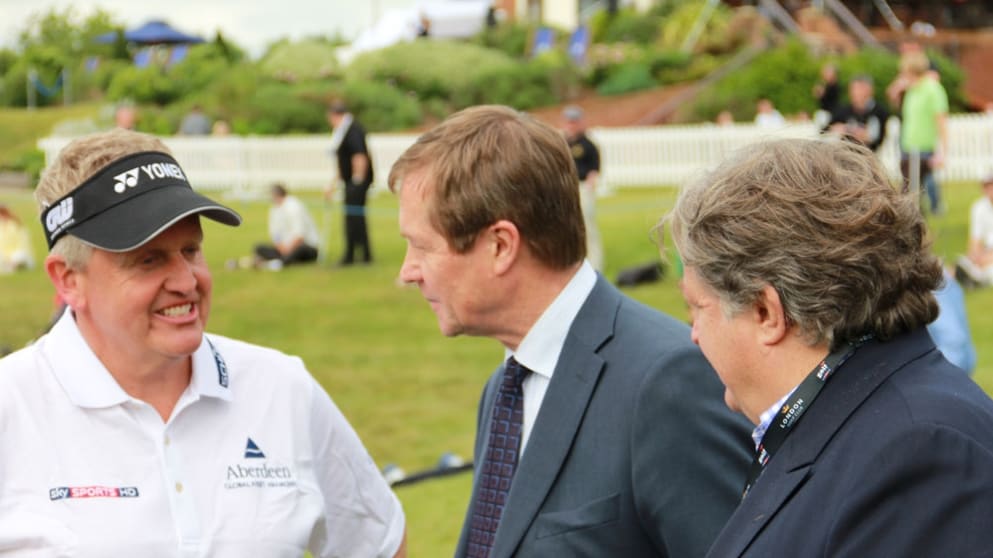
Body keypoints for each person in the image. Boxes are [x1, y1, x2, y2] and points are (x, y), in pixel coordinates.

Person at [0, 128, 407, 557]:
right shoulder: (12, 404)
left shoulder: (280, 386)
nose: (186, 281)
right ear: (68, 280)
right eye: (148, 259)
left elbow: (379, 544)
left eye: (191, 250)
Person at [389, 105, 752, 558]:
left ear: (501, 246)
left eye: (422, 247)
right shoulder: (505, 389)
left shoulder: (666, 384)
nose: (408, 271)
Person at [662, 137, 993, 558]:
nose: (693, 333)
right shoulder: (857, 420)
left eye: (697, 307)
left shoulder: (917, 455)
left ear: (766, 313)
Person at [898, 50, 949, 214]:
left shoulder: (932, 89)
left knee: (911, 195)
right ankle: (915, 223)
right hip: (908, 148)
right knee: (910, 194)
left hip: (922, 150)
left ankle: (917, 224)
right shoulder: (911, 90)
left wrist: (942, 152)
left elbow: (941, 122)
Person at [326, 101, 373, 266]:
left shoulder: (352, 130)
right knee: (353, 218)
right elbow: (343, 161)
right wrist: (332, 184)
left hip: (356, 182)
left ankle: (356, 254)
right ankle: (358, 253)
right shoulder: (344, 130)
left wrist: (357, 180)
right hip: (350, 181)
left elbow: (359, 156)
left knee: (355, 218)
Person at [561, 105, 604, 271]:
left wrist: (589, 187)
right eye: (569, 122)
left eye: (574, 122)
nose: (571, 125)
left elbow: (594, 169)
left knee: (587, 226)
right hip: (567, 188)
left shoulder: (588, 145)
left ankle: (595, 264)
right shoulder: (563, 143)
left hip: (583, 187)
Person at [253, 182, 320, 269]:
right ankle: (283, 260)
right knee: (259, 247)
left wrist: (288, 249)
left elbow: (300, 236)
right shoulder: (274, 209)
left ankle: (275, 263)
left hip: (304, 246)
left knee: (300, 249)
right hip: (284, 248)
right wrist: (281, 247)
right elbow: (275, 235)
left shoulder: (294, 206)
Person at [927, 267, 977, 374]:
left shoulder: (933, 283)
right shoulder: (941, 276)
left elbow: (952, 341)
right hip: (959, 368)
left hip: (949, 369)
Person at [824, 74, 890, 152]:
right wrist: (840, 129)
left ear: (870, 91)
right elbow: (825, 130)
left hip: (869, 154)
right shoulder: (842, 110)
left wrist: (865, 136)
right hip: (844, 153)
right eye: (853, 89)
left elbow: (880, 139)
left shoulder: (880, 112)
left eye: (860, 89)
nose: (856, 93)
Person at [955, 172, 993, 287]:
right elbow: (975, 239)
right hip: (986, 250)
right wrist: (975, 256)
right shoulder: (978, 207)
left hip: (989, 254)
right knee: (964, 261)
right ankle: (973, 275)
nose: (990, 190)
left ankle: (976, 278)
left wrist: (987, 258)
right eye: (987, 186)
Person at [0, 204, 34, 273]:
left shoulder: (16, 225)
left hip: (17, 252)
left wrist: (11, 257)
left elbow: (23, 243)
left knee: (19, 256)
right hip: (5, 256)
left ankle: (16, 265)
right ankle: (12, 266)